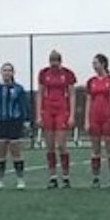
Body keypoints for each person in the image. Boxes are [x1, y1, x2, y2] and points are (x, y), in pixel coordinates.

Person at [36, 50, 77, 189]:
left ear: (60, 61)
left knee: (61, 144)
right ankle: (52, 177)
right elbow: (40, 94)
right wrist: (38, 114)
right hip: (48, 110)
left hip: (61, 110)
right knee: (50, 146)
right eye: (51, 60)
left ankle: (66, 176)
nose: (53, 63)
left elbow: (72, 95)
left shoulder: (67, 74)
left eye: (56, 61)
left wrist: (71, 115)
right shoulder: (43, 73)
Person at [0, 63, 30, 190]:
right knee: (1, 152)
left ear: (13, 73)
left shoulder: (18, 89)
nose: (7, 73)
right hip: (0, 122)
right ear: (1, 73)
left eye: (9, 70)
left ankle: (20, 179)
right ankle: (0, 180)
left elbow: (24, 105)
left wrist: (26, 120)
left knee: (16, 151)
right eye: (4, 70)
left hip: (15, 122)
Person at [84, 54, 110, 188]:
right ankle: (96, 178)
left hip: (108, 118)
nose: (94, 66)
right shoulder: (91, 82)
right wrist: (87, 120)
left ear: (103, 64)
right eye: (93, 63)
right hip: (95, 118)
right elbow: (88, 101)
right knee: (95, 149)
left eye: (96, 63)